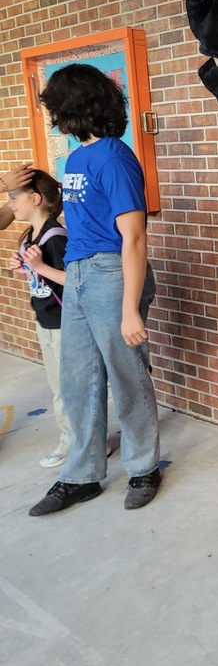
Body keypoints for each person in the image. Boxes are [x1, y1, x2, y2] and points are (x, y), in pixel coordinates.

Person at [28, 64, 162, 516]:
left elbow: (135, 237)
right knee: (78, 379)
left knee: (127, 376)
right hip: (81, 273)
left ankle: (144, 467)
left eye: (56, 107)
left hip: (111, 275)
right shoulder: (77, 159)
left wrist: (130, 310)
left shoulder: (115, 157)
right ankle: (82, 475)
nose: (53, 116)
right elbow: (85, 218)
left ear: (74, 107)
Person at [7, 169, 71, 468]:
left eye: (14, 197)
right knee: (58, 388)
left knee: (66, 390)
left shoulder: (55, 237)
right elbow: (41, 276)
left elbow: (72, 280)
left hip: (62, 323)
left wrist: (39, 267)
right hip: (44, 320)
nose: (10, 204)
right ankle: (78, 441)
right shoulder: (29, 235)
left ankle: (72, 445)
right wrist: (25, 268)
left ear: (35, 198)